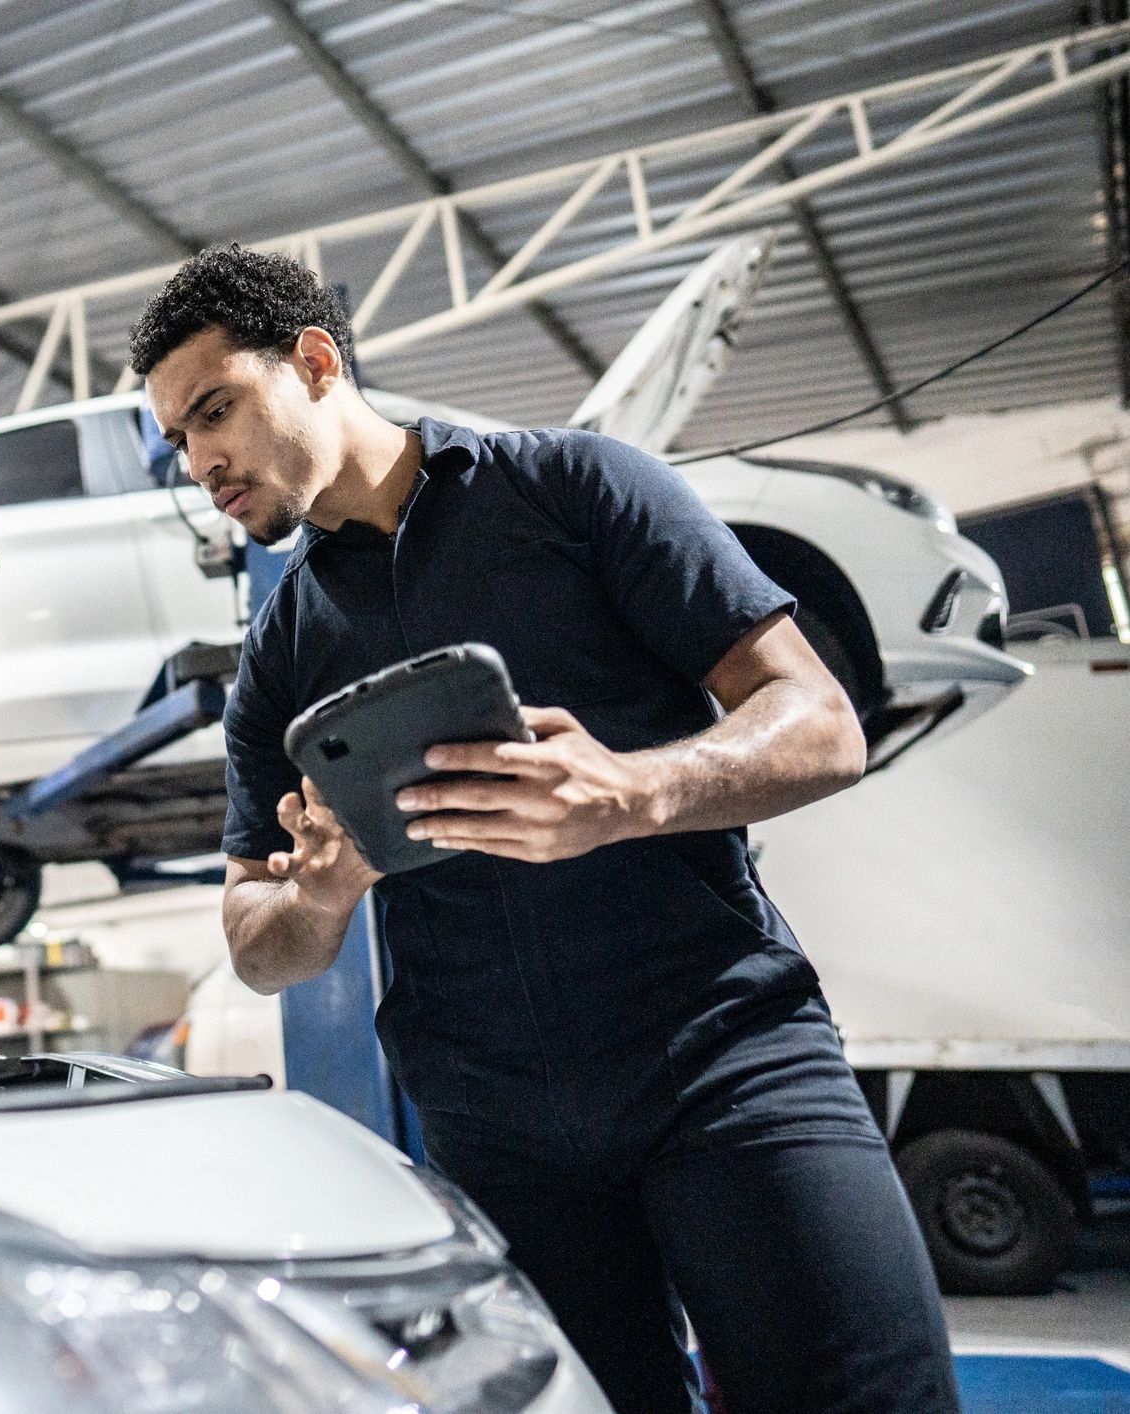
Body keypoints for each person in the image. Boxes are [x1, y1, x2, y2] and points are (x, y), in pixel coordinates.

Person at [131, 245, 959, 1414]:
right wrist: (320, 893)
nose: (199, 459)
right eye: (177, 438)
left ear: (316, 362)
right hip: (494, 1124)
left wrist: (634, 792)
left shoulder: (579, 490)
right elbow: (256, 941)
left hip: (721, 1057)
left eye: (214, 410)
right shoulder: (278, 661)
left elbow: (821, 722)